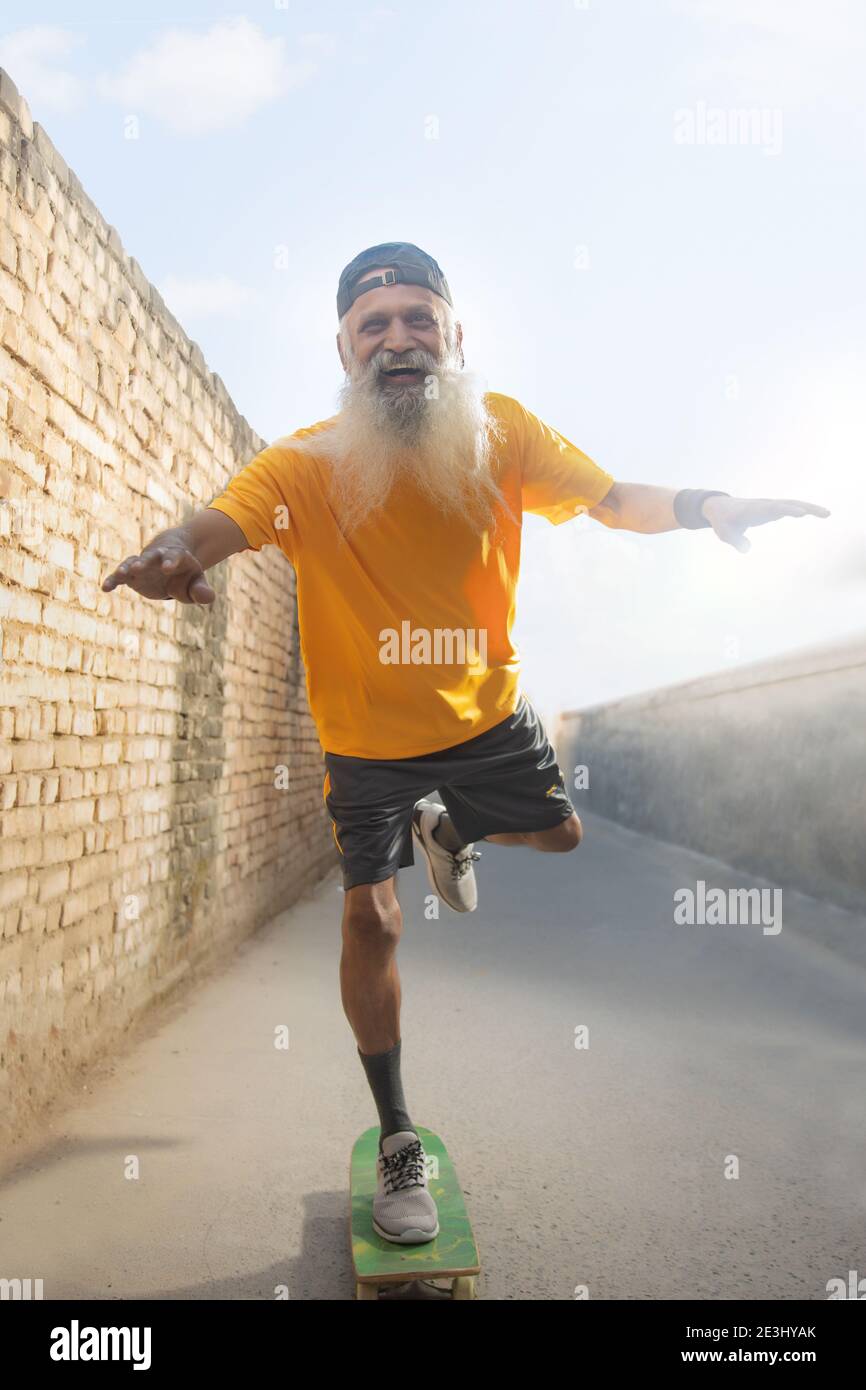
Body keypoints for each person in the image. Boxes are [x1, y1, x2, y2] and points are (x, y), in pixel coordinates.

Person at [102, 241, 829, 1245]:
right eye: (374, 325)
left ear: (451, 334)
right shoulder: (305, 463)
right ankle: (398, 1134)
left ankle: (450, 830)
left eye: (416, 319)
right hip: (364, 741)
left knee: (561, 835)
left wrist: (710, 508)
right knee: (374, 923)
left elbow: (616, 502)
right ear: (345, 347)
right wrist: (172, 553)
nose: (397, 340)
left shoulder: (504, 434)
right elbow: (219, 521)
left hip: (486, 715)